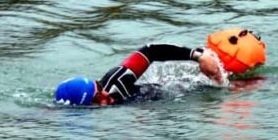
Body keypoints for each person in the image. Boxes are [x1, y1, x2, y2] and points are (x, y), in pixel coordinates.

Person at [54, 41, 225, 106]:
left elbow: (151, 51)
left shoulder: (115, 83)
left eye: (99, 88)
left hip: (175, 90)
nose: (105, 95)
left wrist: (197, 56)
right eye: (97, 99)